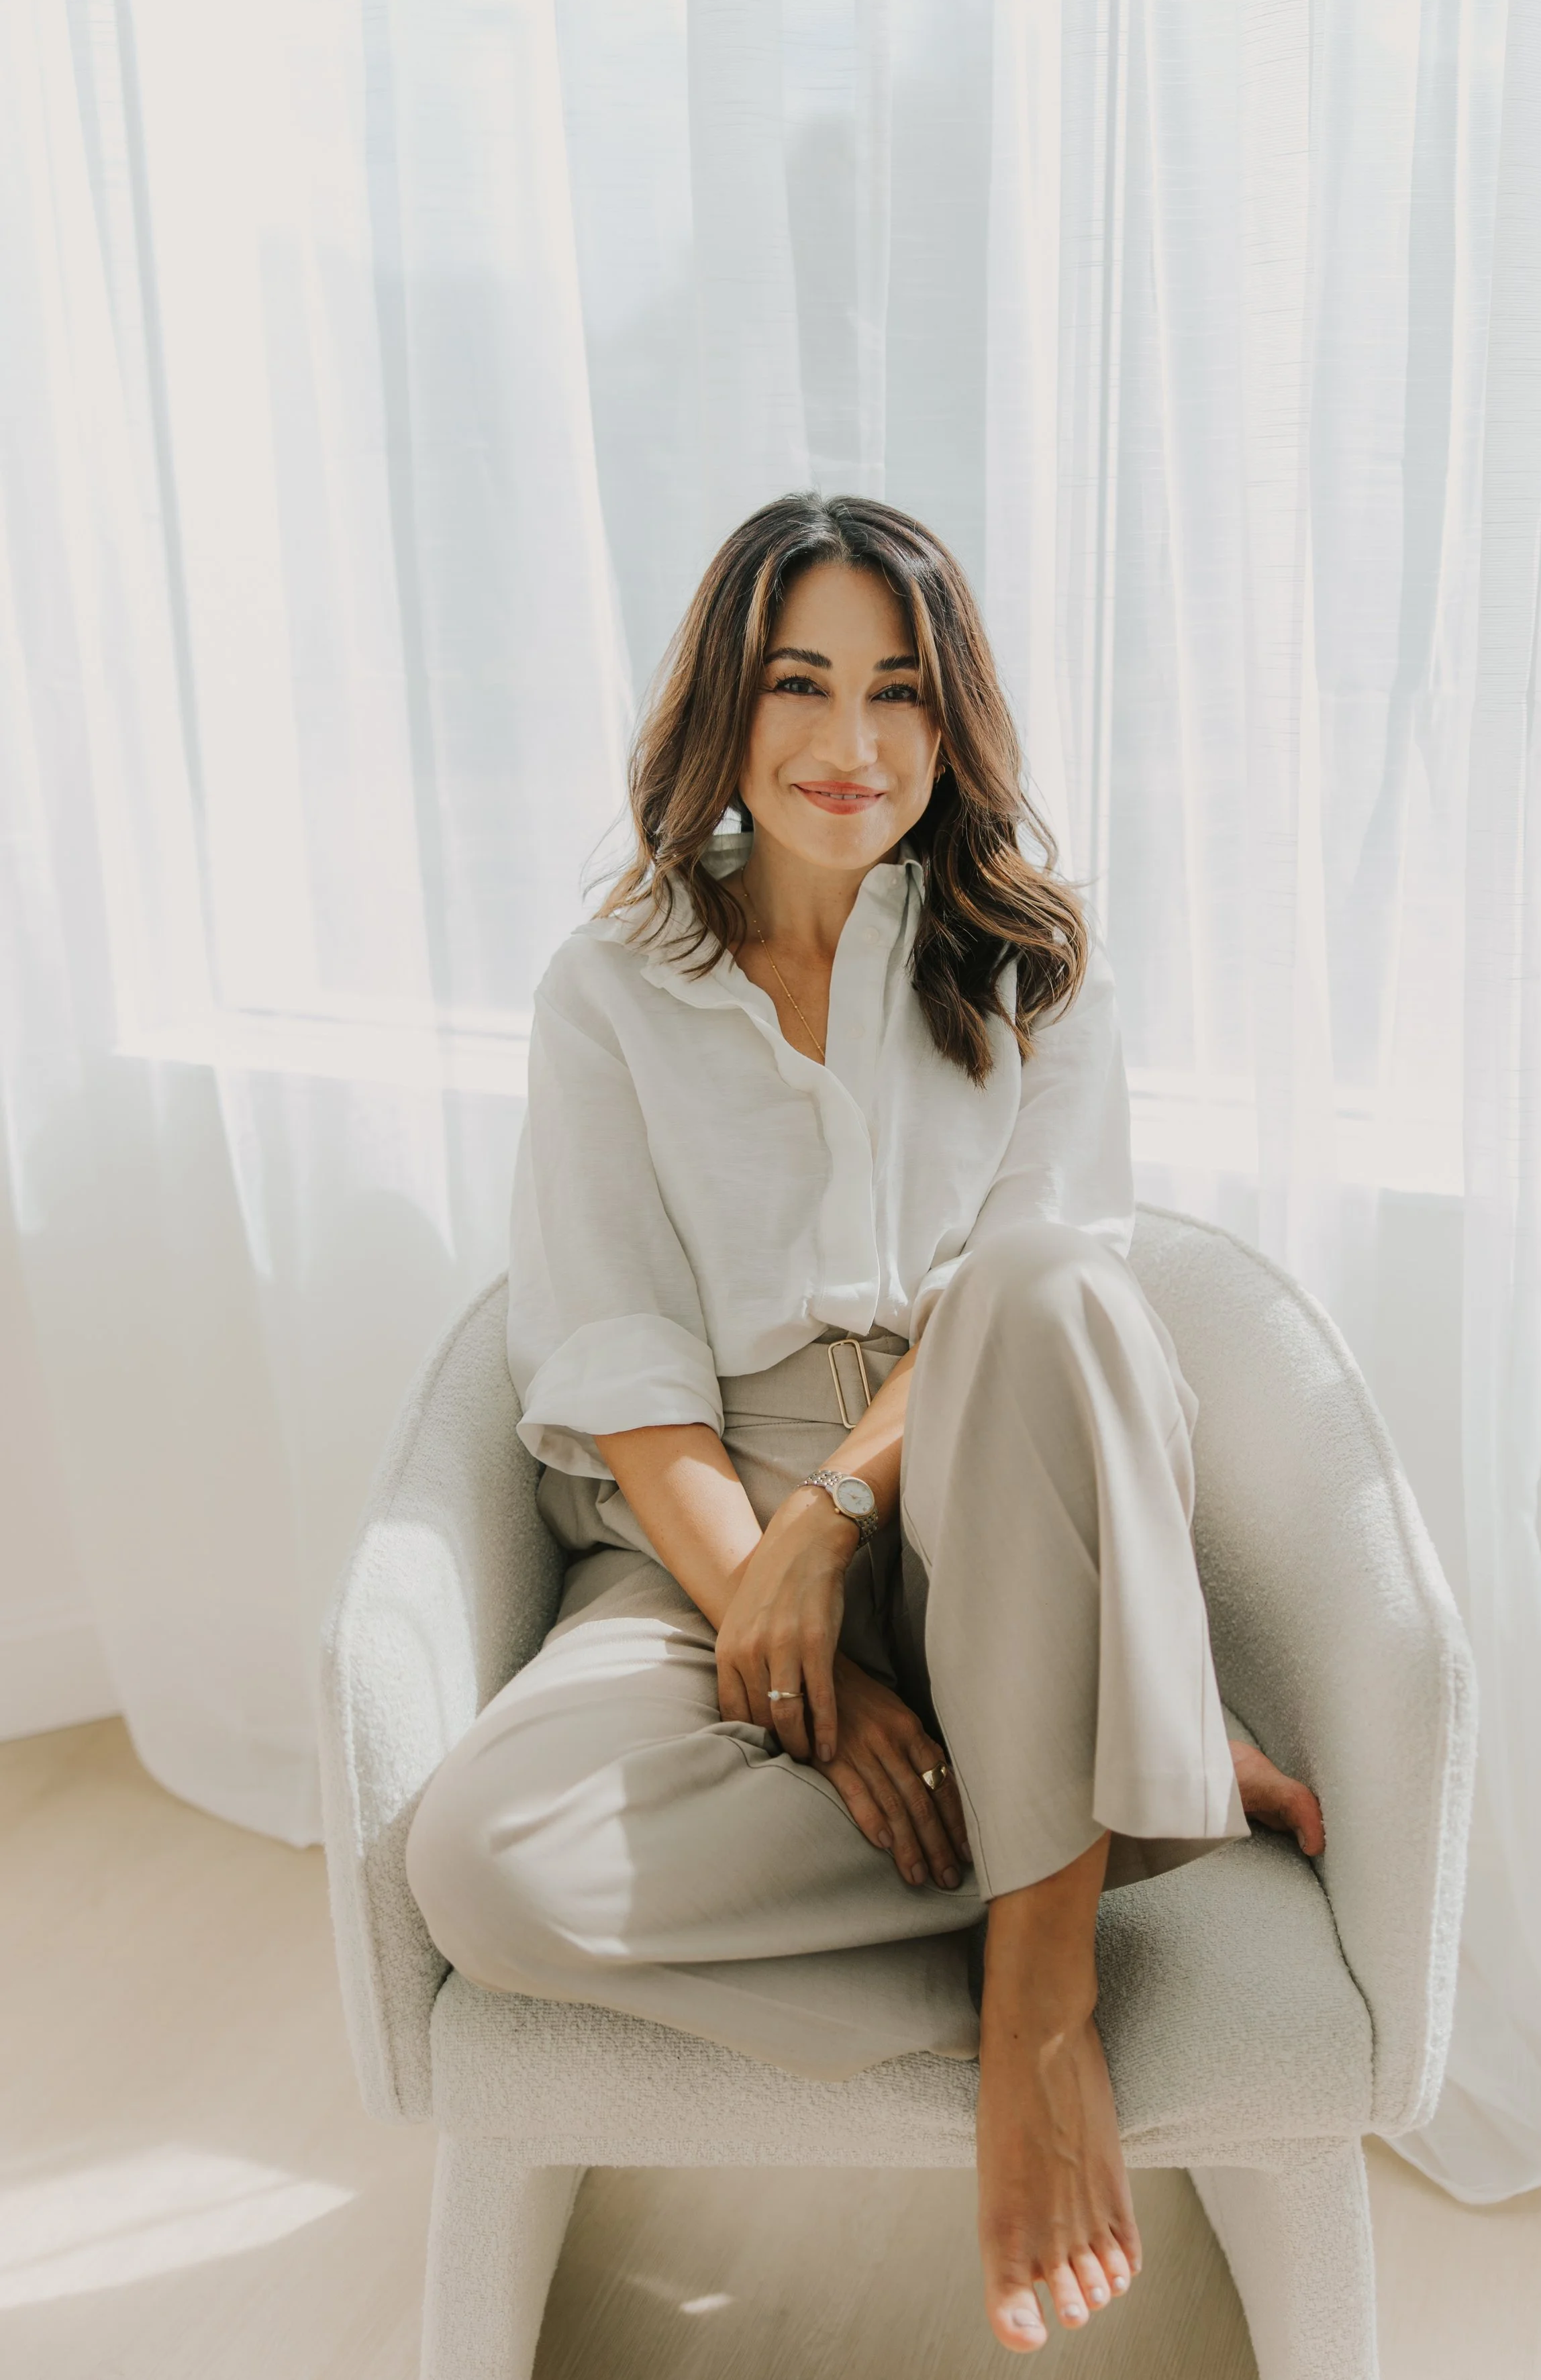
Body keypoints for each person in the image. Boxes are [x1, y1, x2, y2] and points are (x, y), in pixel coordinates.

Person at [405, 492, 1325, 2354]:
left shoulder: (1031, 966)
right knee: (485, 1864)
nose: (850, 747)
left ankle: (1039, 2000)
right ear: (726, 713)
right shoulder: (613, 986)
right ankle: (1097, 1814)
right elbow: (613, 1349)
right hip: (695, 1525)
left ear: (953, 718)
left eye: (900, 694)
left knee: (1041, 1287)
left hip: (1005, 1474)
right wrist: (793, 1651)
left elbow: (1034, 1283)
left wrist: (836, 1515)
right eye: (799, 686)